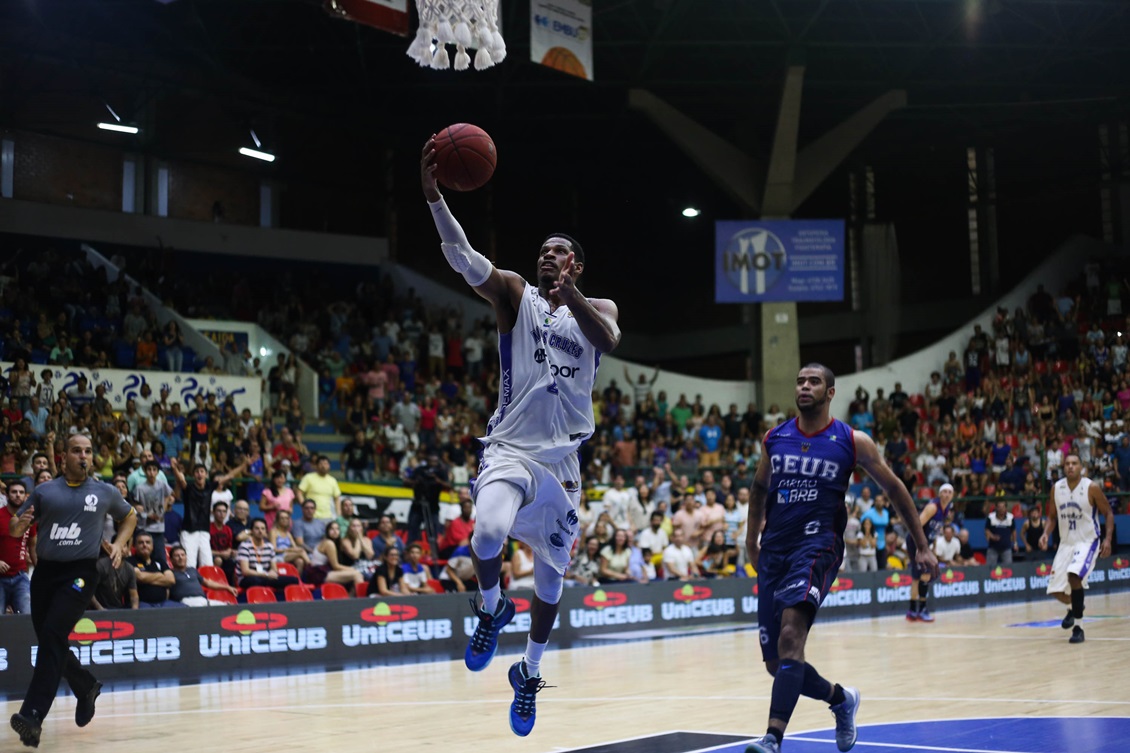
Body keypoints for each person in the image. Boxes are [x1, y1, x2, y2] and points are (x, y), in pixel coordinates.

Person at [422, 136, 621, 736]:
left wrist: (573, 294)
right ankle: (490, 607)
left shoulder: (598, 307)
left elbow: (608, 340)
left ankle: (529, 674)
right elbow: (462, 257)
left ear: (577, 264)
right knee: (485, 532)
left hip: (562, 464)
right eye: (543, 251)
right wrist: (434, 198)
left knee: (553, 578)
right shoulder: (514, 293)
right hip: (509, 448)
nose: (547, 257)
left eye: (559, 252)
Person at [744, 364, 937, 753]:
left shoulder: (852, 440)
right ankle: (841, 699)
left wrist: (921, 544)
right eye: (800, 380)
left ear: (830, 393)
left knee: (791, 635)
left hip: (818, 547)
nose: (804, 386)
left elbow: (896, 489)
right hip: (775, 550)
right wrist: (751, 539)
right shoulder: (775, 438)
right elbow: (759, 487)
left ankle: (772, 739)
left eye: (813, 382)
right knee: (777, 663)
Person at [8, 434, 136, 747]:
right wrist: (18, 527)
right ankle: (85, 685)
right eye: (77, 451)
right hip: (45, 574)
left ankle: (33, 716)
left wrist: (120, 544)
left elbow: (130, 516)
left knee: (52, 634)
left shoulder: (104, 492)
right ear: (64, 456)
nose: (84, 456)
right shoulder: (45, 491)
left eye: (89, 451)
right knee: (51, 640)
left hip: (80, 574)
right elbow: (14, 524)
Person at [1040, 454, 1114, 644]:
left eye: (1074, 463)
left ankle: (1078, 627)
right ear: (1063, 467)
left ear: (1081, 466)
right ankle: (1076, 606)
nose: (1070, 467)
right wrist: (1046, 534)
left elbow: (1108, 513)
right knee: (1056, 590)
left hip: (1088, 541)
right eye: (1067, 464)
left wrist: (1107, 539)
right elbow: (1052, 518)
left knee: (1074, 576)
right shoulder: (1056, 489)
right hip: (1066, 543)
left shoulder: (1091, 487)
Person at [169, 457, 244, 569]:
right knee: (190, 564)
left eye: (202, 472)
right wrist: (174, 468)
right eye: (197, 472)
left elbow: (229, 476)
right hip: (189, 530)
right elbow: (181, 480)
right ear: (194, 475)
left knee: (208, 564)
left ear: (206, 475)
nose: (199, 474)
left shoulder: (210, 487)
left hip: (204, 530)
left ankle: (207, 586)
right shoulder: (188, 488)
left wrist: (244, 464)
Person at [907, 483, 954, 623]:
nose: (946, 494)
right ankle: (921, 610)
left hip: (925, 544)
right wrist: (922, 548)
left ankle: (912, 611)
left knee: (917, 577)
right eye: (944, 491)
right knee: (925, 574)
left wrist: (932, 547)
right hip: (917, 542)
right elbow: (917, 525)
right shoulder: (933, 507)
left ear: (952, 496)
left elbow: (934, 531)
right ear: (939, 494)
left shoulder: (946, 510)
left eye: (949, 492)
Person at [0, 480, 37, 615]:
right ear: (6, 495)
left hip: (20, 577)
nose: (18, 495)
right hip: (0, 578)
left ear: (25, 496)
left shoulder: (28, 518)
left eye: (21, 492)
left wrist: (39, 571)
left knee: (27, 617)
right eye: (14, 492)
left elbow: (33, 546)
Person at [127, 532, 184, 609]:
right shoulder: (130, 561)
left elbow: (171, 580)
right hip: (142, 603)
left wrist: (146, 578)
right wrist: (160, 575)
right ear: (135, 546)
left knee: (185, 610)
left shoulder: (159, 561)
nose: (144, 545)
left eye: (148, 542)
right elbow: (139, 577)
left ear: (152, 546)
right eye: (141, 543)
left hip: (164, 603)